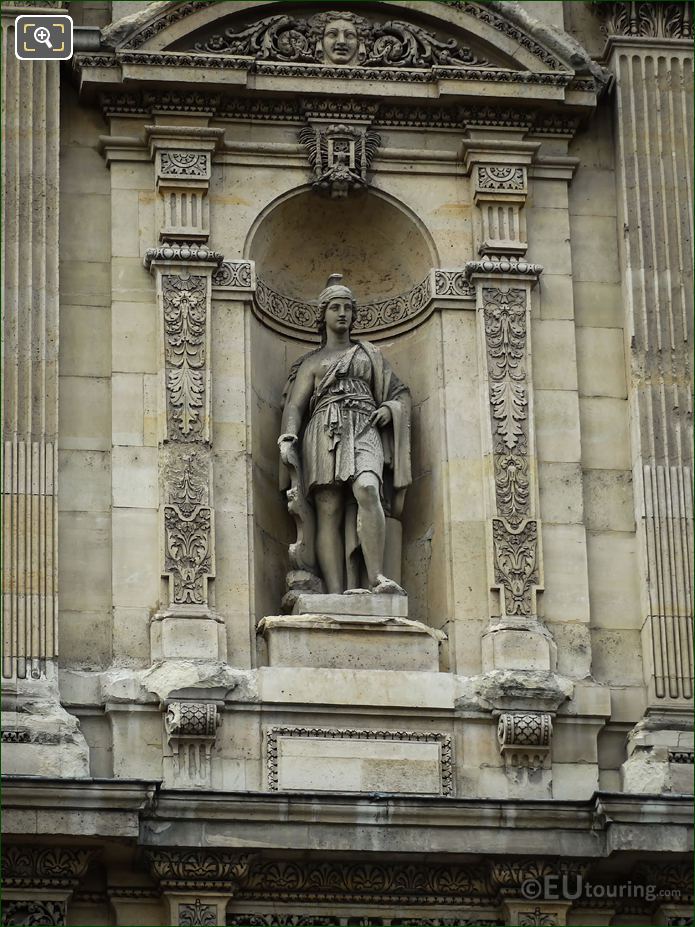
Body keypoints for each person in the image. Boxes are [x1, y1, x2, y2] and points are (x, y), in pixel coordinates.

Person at [279, 275, 411, 595]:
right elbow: (295, 406)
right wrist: (289, 436)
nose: (343, 314)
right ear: (322, 314)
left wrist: (390, 408)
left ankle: (376, 576)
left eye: (348, 308)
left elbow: (401, 394)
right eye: (335, 307)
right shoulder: (313, 362)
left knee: (367, 488)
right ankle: (335, 593)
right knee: (329, 509)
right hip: (325, 427)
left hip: (365, 424)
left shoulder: (370, 355)